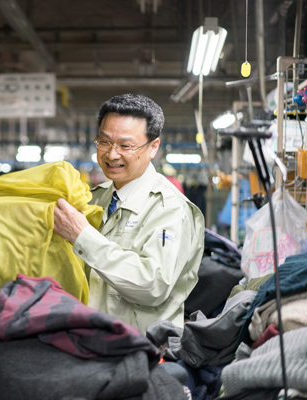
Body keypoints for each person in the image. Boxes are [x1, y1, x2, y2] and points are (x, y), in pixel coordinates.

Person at [53, 94, 205, 333]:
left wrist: (82, 237)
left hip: (141, 352)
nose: (112, 155)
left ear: (153, 147)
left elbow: (153, 284)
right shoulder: (94, 198)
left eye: (126, 146)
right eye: (104, 142)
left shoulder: (169, 208)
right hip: (88, 341)